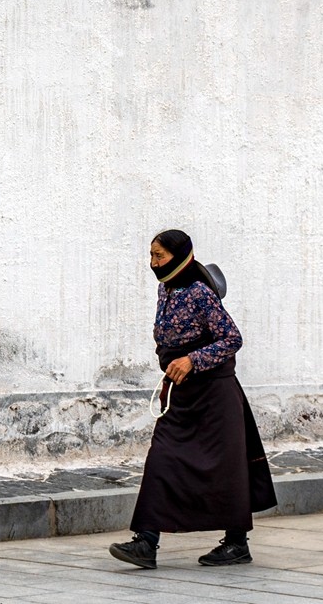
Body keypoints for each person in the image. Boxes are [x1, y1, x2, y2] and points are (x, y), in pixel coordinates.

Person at [109, 229, 277, 570]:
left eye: (160, 256)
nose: (153, 263)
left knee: (226, 468)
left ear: (181, 257)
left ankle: (237, 543)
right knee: (163, 458)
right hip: (181, 395)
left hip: (215, 396)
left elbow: (231, 338)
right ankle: (146, 542)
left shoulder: (200, 293)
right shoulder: (165, 289)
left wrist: (192, 360)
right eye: (151, 256)